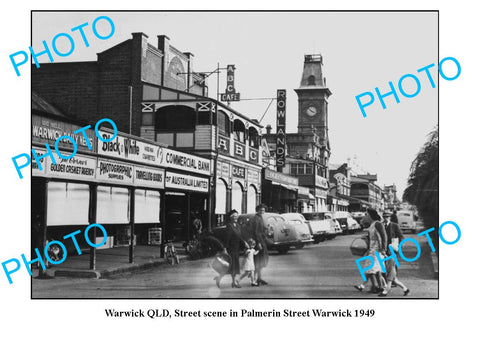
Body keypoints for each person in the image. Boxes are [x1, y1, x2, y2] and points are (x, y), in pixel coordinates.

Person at [354, 208, 387, 293]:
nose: (366, 216)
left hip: (377, 250)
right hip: (372, 249)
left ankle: (375, 287)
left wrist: (383, 249)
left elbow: (384, 237)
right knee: (376, 270)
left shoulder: (378, 224)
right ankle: (379, 287)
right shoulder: (372, 224)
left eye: (367, 214)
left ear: (371, 215)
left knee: (371, 269)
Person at [214, 209, 247, 288]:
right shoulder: (229, 226)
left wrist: (244, 243)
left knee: (235, 266)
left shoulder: (238, 226)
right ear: (231, 217)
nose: (236, 217)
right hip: (230, 249)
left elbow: (239, 237)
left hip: (236, 248)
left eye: (237, 216)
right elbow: (227, 238)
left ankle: (233, 282)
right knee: (228, 266)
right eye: (234, 216)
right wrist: (225, 248)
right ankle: (219, 278)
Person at [379, 212, 410, 296]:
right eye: (384, 217)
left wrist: (400, 245)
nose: (386, 218)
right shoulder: (381, 225)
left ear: (390, 218)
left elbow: (401, 236)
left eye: (387, 217)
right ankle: (404, 288)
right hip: (383, 250)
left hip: (392, 250)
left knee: (390, 268)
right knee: (384, 270)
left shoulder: (394, 225)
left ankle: (386, 289)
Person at [246, 204, 269, 285]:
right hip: (257, 242)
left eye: (263, 210)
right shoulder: (256, 219)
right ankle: (255, 279)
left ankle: (259, 278)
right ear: (257, 210)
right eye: (261, 210)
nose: (262, 211)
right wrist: (258, 243)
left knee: (260, 261)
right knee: (257, 261)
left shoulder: (260, 218)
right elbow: (256, 232)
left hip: (261, 241)